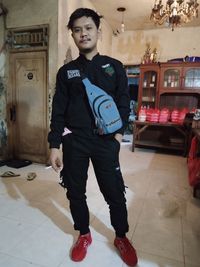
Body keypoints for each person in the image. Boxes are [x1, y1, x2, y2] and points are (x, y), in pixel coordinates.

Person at [48, 8, 138, 267]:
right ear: (73, 35)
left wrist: (118, 136)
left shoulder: (114, 67)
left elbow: (124, 103)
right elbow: (59, 110)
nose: (83, 33)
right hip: (74, 141)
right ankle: (84, 234)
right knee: (75, 191)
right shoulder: (66, 73)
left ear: (98, 31)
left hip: (105, 141)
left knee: (114, 192)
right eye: (77, 29)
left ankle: (121, 236)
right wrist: (55, 144)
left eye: (88, 28)